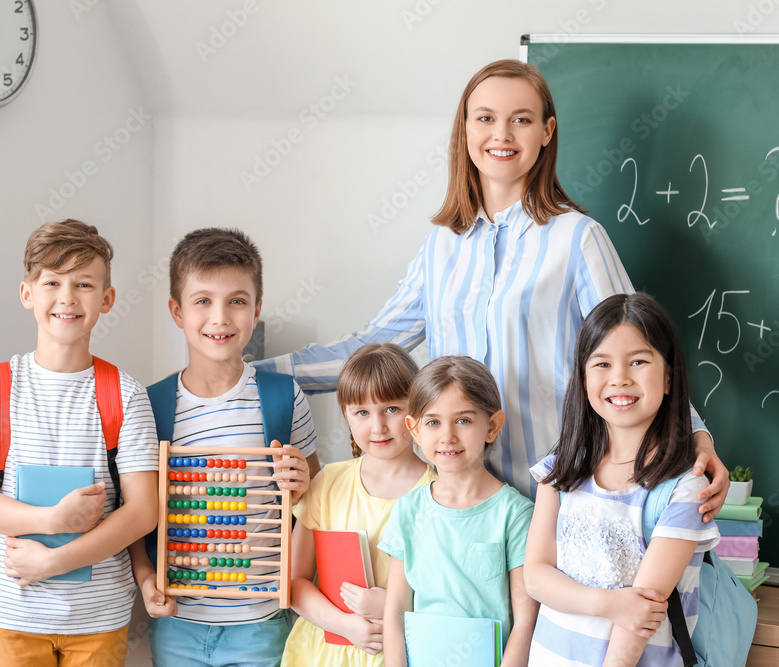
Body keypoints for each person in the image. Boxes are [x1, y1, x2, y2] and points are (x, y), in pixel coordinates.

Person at [254, 59, 729, 511]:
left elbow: (638, 353)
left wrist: (697, 436)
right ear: (465, 129)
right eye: (485, 118)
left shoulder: (577, 238)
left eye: (521, 120)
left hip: (558, 491)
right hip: (460, 495)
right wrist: (250, 374)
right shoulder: (441, 245)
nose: (501, 134)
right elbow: (370, 350)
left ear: (546, 132)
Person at [0, 220, 159, 667]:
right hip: (12, 612)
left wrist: (55, 562)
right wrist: (51, 520)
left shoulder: (125, 393)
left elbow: (143, 510)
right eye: (52, 282)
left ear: (106, 299)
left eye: (84, 283)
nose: (67, 297)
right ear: (28, 294)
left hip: (99, 618)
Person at [128, 227, 320, 667]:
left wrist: (304, 483)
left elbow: (316, 502)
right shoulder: (151, 404)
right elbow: (135, 515)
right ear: (177, 311)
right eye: (202, 301)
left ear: (256, 312)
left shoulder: (283, 397)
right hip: (178, 622)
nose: (220, 317)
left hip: (263, 621)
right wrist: (144, 580)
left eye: (237, 300)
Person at [525, 292, 721, 665]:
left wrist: (621, 610)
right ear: (583, 380)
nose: (619, 378)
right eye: (601, 364)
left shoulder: (685, 489)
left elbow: (640, 619)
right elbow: (536, 576)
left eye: (638, 361)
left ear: (668, 379)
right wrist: (610, 604)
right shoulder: (559, 471)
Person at [282, 343, 435, 666]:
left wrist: (397, 606)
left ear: (416, 410)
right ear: (347, 416)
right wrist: (345, 625)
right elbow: (294, 582)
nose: (377, 426)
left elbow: (453, 597)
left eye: (392, 409)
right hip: (321, 653)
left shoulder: (440, 493)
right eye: (362, 412)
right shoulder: (327, 483)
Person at [380, 356, 538, 667]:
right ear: (414, 430)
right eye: (433, 422)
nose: (447, 436)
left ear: (491, 426)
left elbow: (526, 619)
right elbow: (396, 609)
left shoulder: (515, 515)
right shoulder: (408, 511)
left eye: (463, 420)